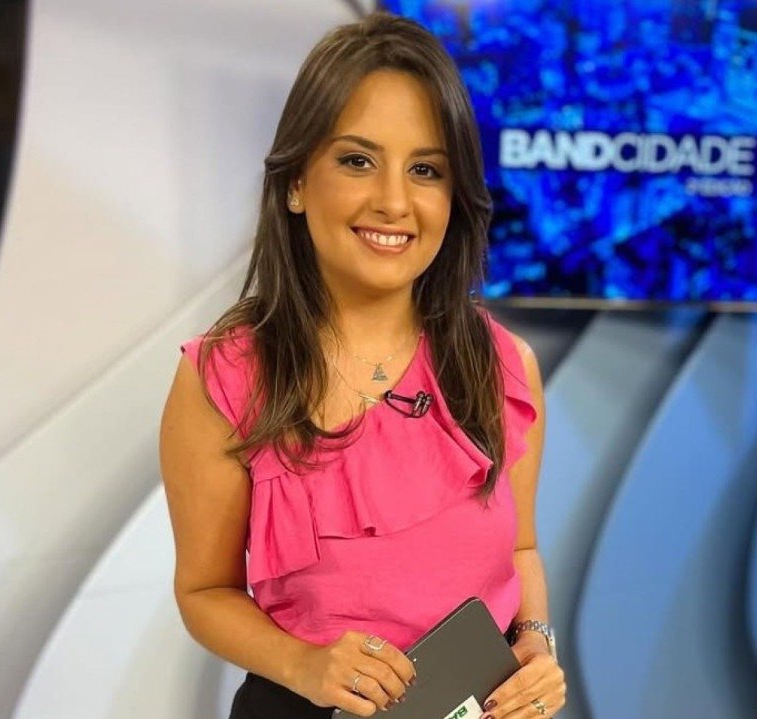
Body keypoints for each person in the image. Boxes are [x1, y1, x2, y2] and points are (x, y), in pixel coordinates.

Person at [158, 11, 566, 719]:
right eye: (357, 161)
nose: (394, 202)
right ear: (295, 182)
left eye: (426, 170)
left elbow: (521, 550)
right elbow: (203, 592)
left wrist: (536, 643)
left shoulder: (504, 365)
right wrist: (304, 663)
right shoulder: (223, 376)